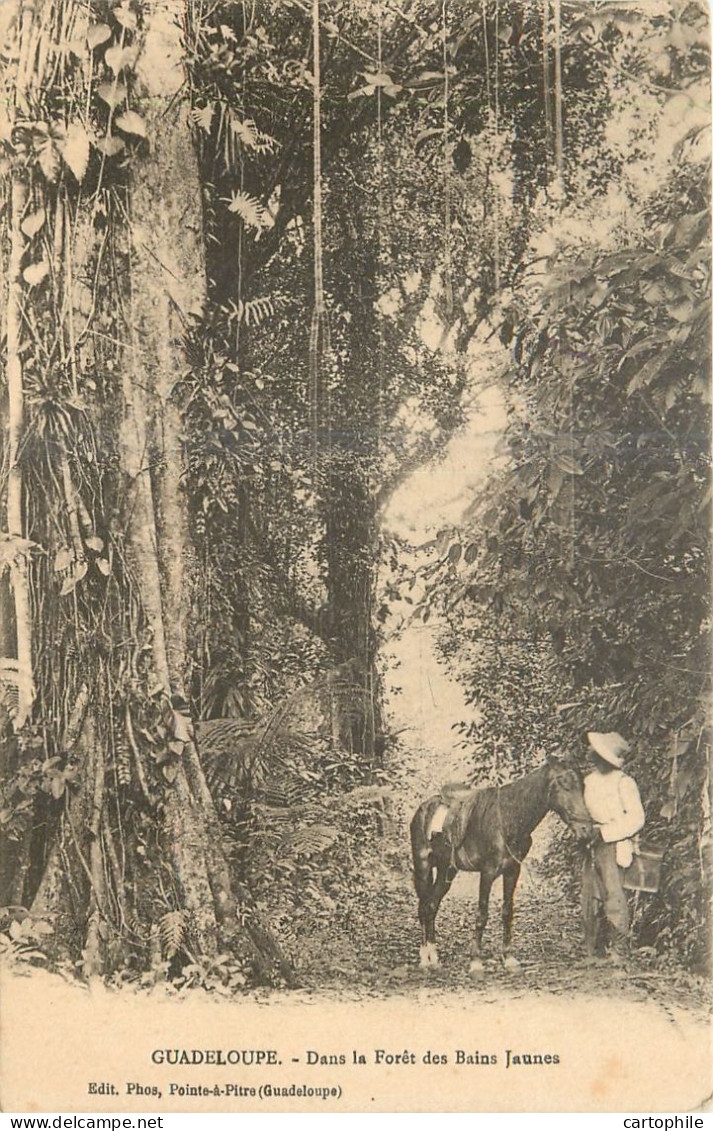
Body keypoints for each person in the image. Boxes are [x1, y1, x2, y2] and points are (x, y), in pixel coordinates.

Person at [582, 731, 645, 965]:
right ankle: (593, 951)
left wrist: (606, 833)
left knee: (614, 896)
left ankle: (619, 952)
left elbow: (637, 818)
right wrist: (586, 832)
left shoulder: (624, 782)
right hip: (590, 844)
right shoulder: (588, 781)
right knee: (591, 895)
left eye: (594, 749)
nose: (589, 752)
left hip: (613, 843)